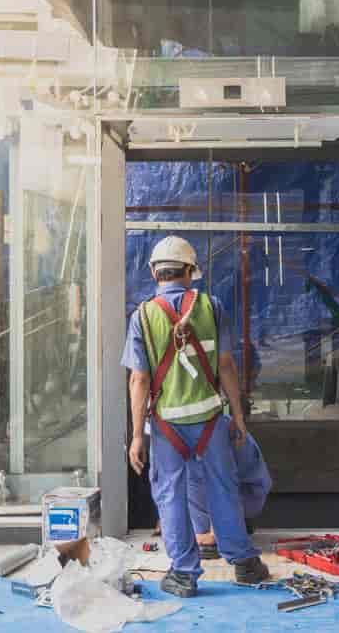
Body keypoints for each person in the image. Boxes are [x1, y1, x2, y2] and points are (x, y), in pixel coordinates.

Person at [122, 236, 270, 597]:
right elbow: (226, 365)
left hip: (166, 425)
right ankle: (245, 564)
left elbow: (139, 378)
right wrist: (237, 416)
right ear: (190, 271)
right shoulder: (211, 306)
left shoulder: (143, 315)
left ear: (155, 272)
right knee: (223, 488)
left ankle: (184, 575)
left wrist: (137, 436)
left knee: (170, 494)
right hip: (210, 422)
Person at [189, 432, 272, 559]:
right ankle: (231, 526)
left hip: (246, 495)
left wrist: (214, 533)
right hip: (245, 496)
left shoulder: (219, 433)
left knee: (192, 474)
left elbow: (219, 480)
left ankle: (218, 533)